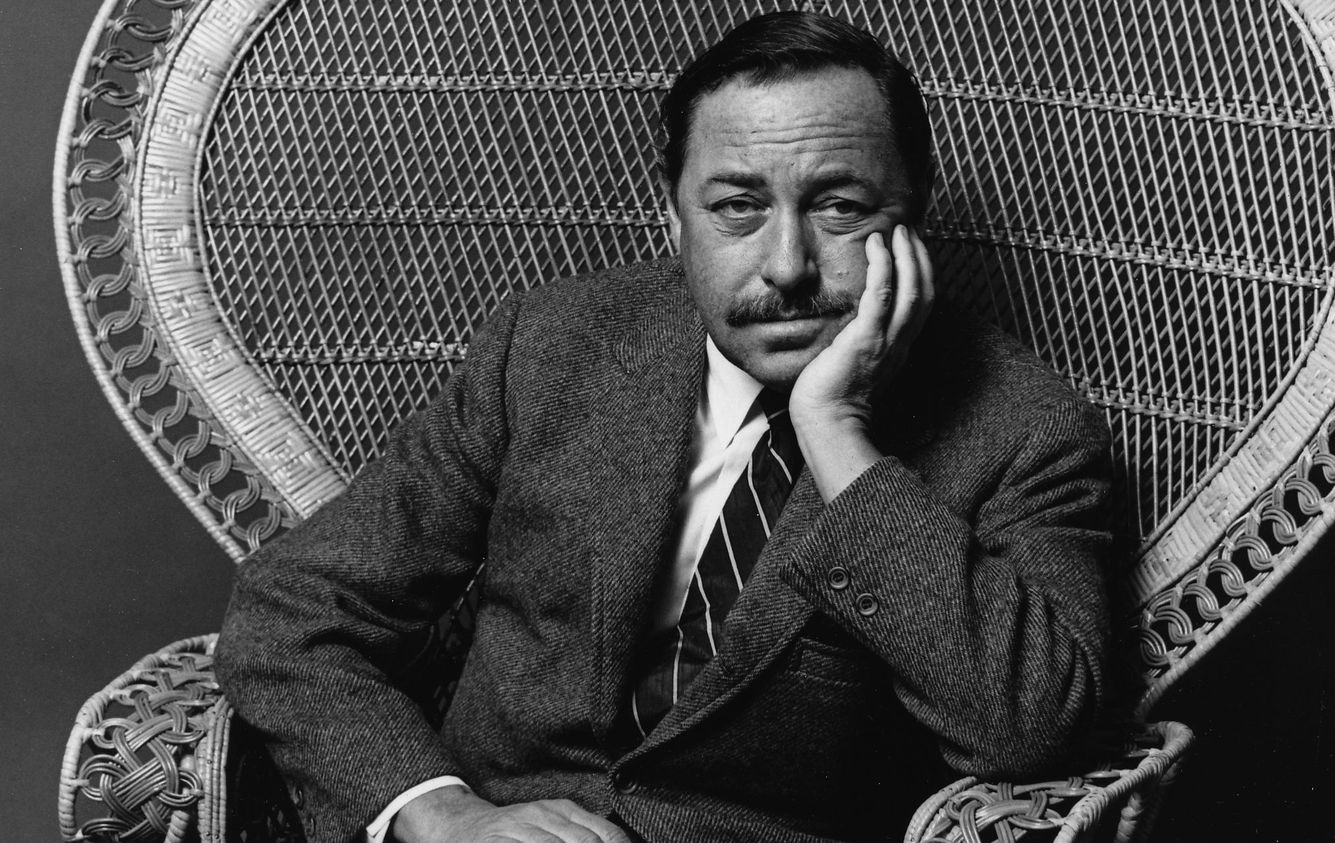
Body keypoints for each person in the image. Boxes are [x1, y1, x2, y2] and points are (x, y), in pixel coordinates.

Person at [216, 11, 1113, 843]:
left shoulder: (1025, 430)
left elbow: (1031, 726)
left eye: (840, 206)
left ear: (912, 211)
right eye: (737, 207)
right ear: (673, 217)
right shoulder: (551, 346)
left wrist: (837, 429)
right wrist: (440, 812)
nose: (788, 266)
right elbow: (293, 609)